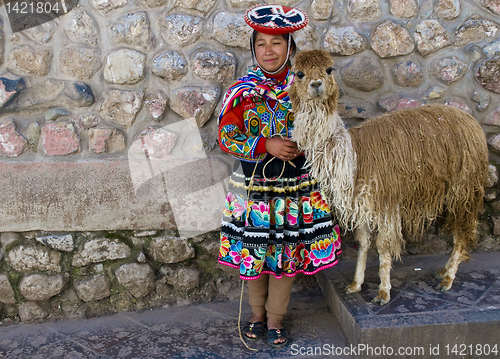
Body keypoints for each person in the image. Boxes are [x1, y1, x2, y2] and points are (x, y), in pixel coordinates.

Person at [217, 4, 341, 349]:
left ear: (290, 47)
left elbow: (325, 126)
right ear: (252, 48)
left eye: (275, 43)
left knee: (284, 255)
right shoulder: (244, 90)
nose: (267, 51)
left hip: (294, 187)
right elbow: (226, 135)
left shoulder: (305, 86)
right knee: (255, 252)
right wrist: (264, 143)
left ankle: (275, 319)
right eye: (260, 44)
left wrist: (305, 143)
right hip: (254, 185)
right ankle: (256, 314)